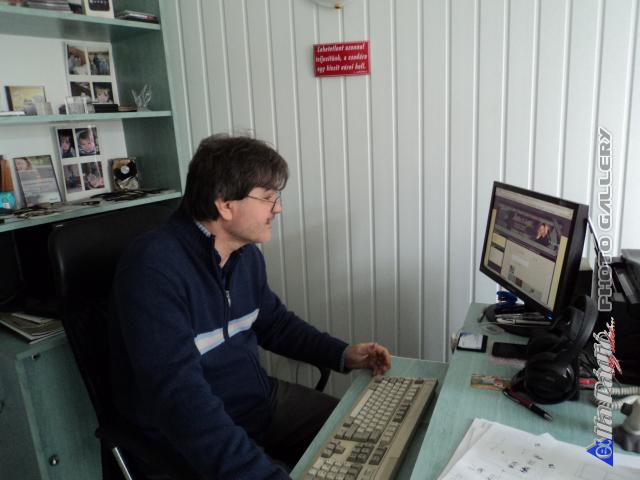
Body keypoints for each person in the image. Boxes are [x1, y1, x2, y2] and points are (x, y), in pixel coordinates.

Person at [109, 134, 392, 479]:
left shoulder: (244, 255)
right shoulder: (152, 269)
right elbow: (181, 401)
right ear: (225, 205)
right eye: (268, 198)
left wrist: (343, 354)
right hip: (192, 433)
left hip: (256, 403)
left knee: (371, 436)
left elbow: (276, 324)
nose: (278, 209)